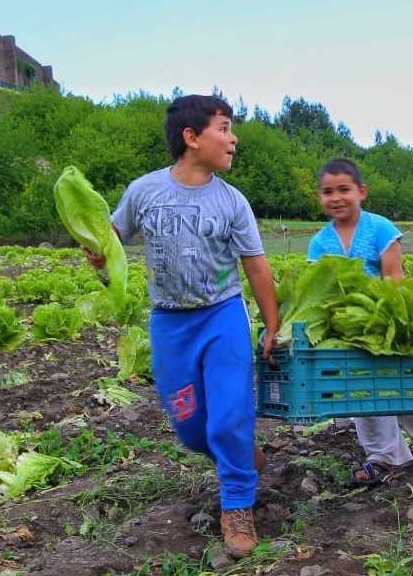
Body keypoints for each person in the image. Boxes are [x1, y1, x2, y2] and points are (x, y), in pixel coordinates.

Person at [87, 94, 280, 559]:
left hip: (222, 317)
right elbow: (110, 243)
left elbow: (255, 266)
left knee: (230, 415)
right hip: (169, 324)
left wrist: (272, 325)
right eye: (224, 128)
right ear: (192, 138)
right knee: (191, 429)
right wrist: (97, 255)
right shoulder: (144, 192)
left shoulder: (232, 201)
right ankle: (238, 455)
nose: (233, 138)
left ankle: (237, 506)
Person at [305, 158, 413, 487]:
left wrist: (398, 323)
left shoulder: (380, 229)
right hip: (348, 331)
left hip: (389, 321)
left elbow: (394, 279)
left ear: (361, 191)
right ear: (320, 198)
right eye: (328, 192)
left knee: (406, 381)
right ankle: (384, 457)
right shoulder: (319, 243)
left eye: (344, 189)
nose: (337, 197)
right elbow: (318, 289)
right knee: (364, 392)